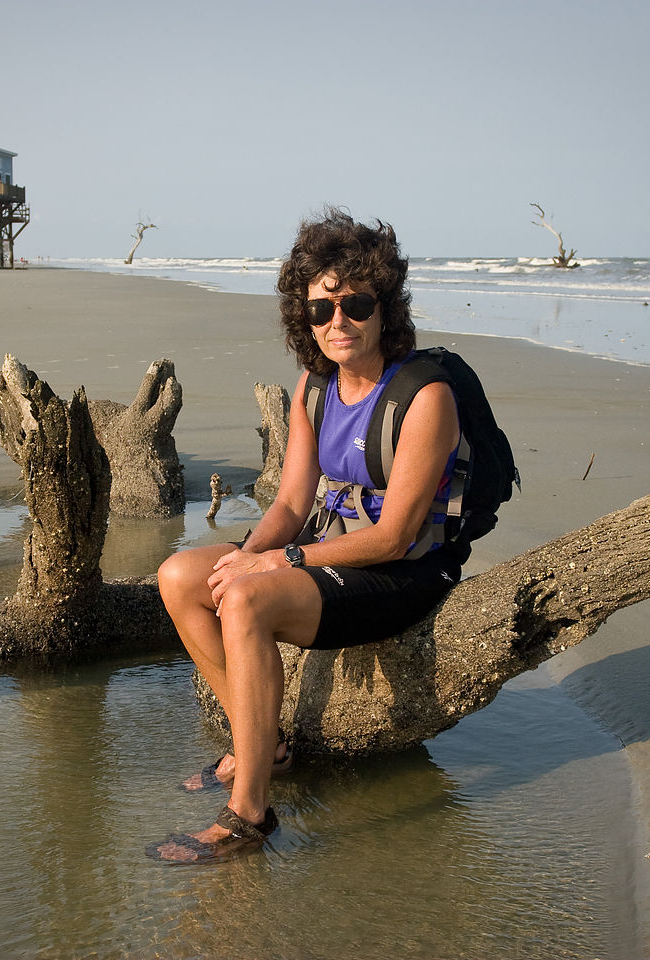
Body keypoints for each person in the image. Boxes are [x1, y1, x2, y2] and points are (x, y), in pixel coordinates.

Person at [149, 209, 466, 863]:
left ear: (384, 308)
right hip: (326, 550)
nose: (339, 322)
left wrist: (275, 566)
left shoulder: (424, 395)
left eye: (355, 304)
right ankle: (262, 742)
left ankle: (251, 813)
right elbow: (293, 500)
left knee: (244, 600)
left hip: (402, 572)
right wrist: (246, 555)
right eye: (322, 310)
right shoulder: (314, 387)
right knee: (183, 576)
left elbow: (397, 535)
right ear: (305, 317)